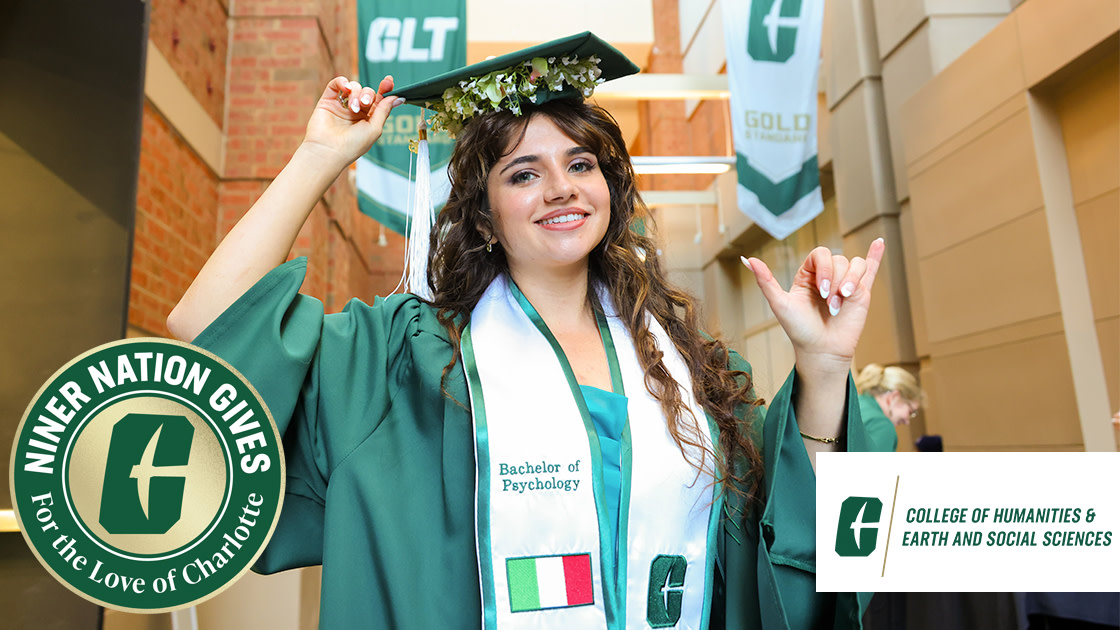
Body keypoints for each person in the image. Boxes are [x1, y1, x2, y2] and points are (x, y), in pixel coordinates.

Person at [168, 32, 883, 629]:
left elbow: (787, 540)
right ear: (483, 215)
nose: (561, 188)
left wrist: (821, 365)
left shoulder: (688, 367)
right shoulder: (406, 359)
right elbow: (206, 329)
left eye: (580, 164)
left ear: (610, 191)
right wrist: (319, 155)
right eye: (523, 175)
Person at [853, 363, 924, 452]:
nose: (907, 421)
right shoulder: (881, 425)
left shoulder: (856, 405)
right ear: (894, 397)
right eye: (910, 411)